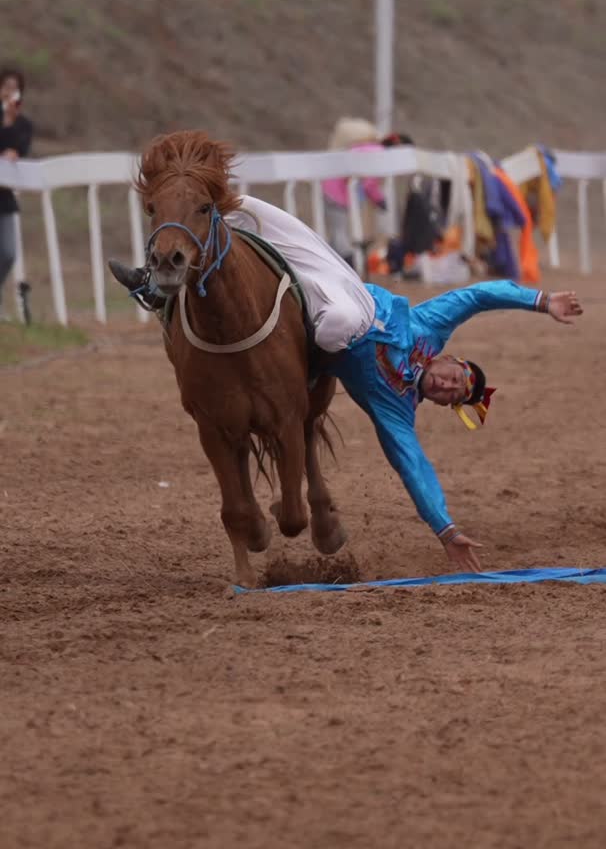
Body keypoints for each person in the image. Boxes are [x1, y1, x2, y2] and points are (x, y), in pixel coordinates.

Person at [108, 193, 582, 573]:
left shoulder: (395, 406)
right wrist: (541, 301)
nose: (448, 388)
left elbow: (411, 463)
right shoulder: (429, 326)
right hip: (341, 289)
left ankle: (159, 294)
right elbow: (479, 294)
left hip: (317, 337)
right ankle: (156, 278)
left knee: (326, 330)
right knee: (246, 206)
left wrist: (446, 529)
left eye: (452, 397)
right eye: (457, 380)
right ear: (452, 360)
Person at [322, 117, 388, 267]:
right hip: (339, 195)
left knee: (338, 229)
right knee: (343, 231)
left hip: (331, 191)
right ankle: (347, 262)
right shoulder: (379, 155)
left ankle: (335, 262)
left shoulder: (356, 149)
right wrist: (379, 199)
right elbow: (370, 183)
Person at [0, 68, 33, 320]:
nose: (10, 91)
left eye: (14, 87)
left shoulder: (24, 124)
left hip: (5, 198)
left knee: (9, 252)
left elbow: (20, 148)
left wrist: (11, 122)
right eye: (6, 86)